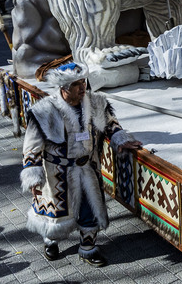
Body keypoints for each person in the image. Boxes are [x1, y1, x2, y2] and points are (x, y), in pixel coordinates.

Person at [22, 63, 141, 266]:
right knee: (55, 213)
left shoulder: (96, 103)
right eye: (76, 84)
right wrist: (33, 176)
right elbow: (32, 145)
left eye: (83, 82)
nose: (82, 87)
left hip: (88, 169)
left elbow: (111, 124)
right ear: (63, 88)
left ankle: (88, 248)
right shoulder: (44, 111)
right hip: (56, 173)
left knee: (90, 209)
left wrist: (121, 138)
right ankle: (50, 240)